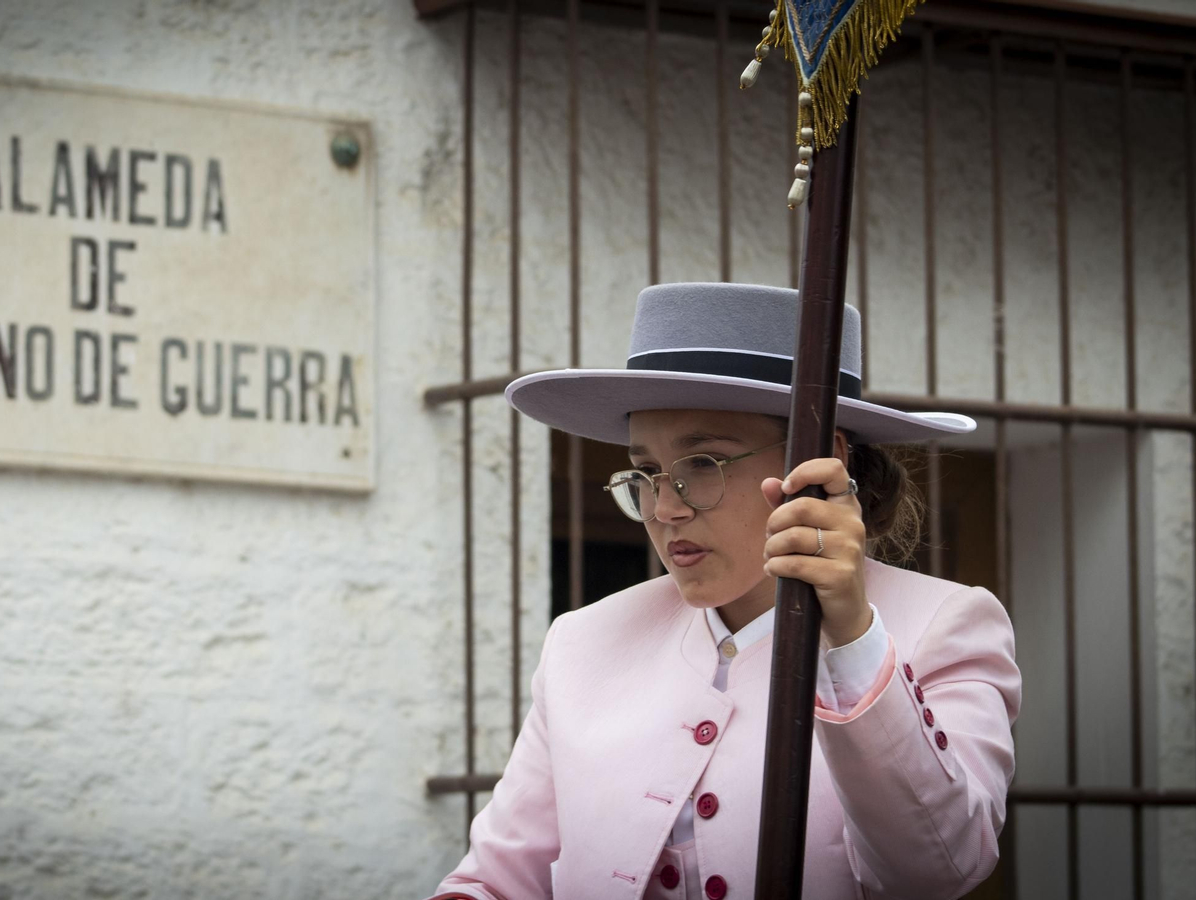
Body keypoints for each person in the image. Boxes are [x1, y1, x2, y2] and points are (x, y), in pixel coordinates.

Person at [425, 283, 1020, 900]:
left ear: (822, 462)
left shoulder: (945, 622)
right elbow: (495, 880)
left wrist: (852, 636)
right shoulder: (584, 639)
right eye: (646, 472)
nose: (664, 508)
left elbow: (939, 868)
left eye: (703, 464)